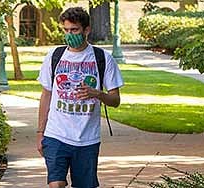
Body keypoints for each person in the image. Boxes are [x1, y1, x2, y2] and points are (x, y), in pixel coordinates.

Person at [36, 7, 124, 188]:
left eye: (74, 30)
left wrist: (97, 94)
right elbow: (46, 95)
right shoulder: (54, 56)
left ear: (86, 30)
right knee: (56, 184)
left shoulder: (103, 58)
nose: (69, 35)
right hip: (56, 135)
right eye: (66, 30)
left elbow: (115, 100)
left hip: (87, 139)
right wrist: (40, 133)